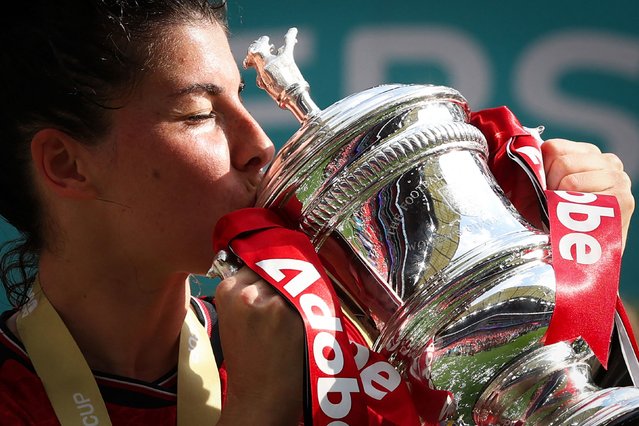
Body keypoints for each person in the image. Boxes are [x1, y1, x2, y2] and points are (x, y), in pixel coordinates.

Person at [0, 0, 634, 424]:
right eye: (198, 115)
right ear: (66, 164)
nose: (259, 146)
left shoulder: (353, 350)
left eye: (242, 100)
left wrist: (583, 286)